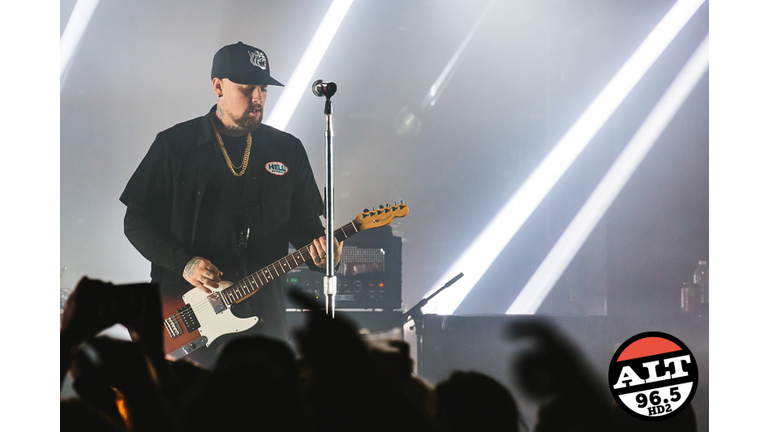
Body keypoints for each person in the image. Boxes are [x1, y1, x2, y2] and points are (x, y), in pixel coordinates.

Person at [120, 41, 341, 367]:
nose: (258, 98)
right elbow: (136, 221)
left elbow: (306, 225)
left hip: (264, 319)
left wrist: (323, 255)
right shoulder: (175, 145)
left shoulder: (287, 150)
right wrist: (185, 263)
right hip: (189, 318)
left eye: (263, 89)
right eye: (247, 88)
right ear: (218, 86)